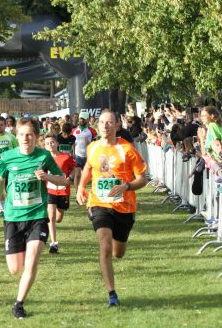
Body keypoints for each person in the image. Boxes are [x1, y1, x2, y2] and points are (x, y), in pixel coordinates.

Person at [0, 118, 68, 319]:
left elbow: (63, 180)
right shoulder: (6, 157)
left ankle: (19, 304)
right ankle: (19, 257)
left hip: (37, 216)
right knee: (15, 268)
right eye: (22, 134)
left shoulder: (43, 156)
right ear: (17, 136)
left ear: (36, 137)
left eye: (30, 134)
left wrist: (47, 177)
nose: (26, 138)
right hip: (14, 217)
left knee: (32, 261)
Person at [76, 111, 147, 307]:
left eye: (109, 122)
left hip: (124, 206)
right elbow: (88, 169)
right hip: (99, 203)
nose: (105, 126)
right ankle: (112, 294)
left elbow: (142, 178)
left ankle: (113, 287)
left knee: (118, 252)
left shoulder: (128, 149)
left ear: (117, 126)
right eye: (102, 122)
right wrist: (81, 187)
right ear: (97, 125)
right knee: (104, 245)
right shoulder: (92, 148)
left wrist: (127, 186)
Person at [43, 134, 76, 253]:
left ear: (57, 144)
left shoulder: (66, 157)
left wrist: (71, 177)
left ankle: (57, 217)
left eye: (52, 142)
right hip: (49, 190)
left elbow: (74, 169)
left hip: (63, 190)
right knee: (51, 217)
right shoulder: (44, 158)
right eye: (47, 143)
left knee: (58, 218)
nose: (50, 145)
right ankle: (53, 243)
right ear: (45, 146)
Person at [71, 112, 97, 190]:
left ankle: (84, 191)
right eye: (80, 118)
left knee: (87, 176)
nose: (81, 120)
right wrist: (73, 153)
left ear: (87, 119)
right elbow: (72, 143)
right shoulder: (74, 130)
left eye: (83, 119)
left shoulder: (92, 131)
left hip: (88, 156)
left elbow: (95, 144)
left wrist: (89, 143)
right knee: (77, 175)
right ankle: (77, 193)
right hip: (78, 155)